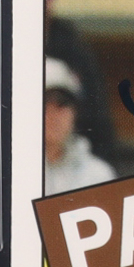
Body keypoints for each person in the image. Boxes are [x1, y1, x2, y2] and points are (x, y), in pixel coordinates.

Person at [44, 57, 117, 195]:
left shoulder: (97, 175)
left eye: (62, 104)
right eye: (45, 104)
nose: (53, 115)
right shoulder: (11, 167)